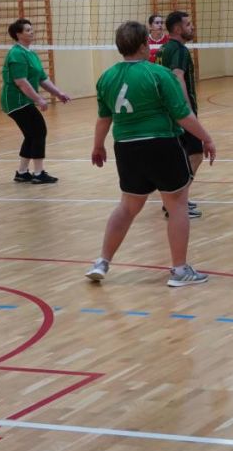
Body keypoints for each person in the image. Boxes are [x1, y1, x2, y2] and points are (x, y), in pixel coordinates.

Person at [86, 21, 217, 287]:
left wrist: (98, 145)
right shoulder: (158, 74)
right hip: (161, 144)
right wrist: (207, 138)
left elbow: (104, 118)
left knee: (127, 206)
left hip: (125, 147)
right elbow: (182, 115)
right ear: (144, 44)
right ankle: (179, 271)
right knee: (177, 204)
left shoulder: (106, 77)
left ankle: (102, 262)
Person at [1, 18, 71, 184]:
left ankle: (22, 172)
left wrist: (58, 93)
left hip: (24, 100)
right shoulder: (16, 54)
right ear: (18, 34)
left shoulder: (31, 53)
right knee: (39, 131)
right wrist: (39, 99)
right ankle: (38, 173)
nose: (32, 32)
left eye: (31, 29)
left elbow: (42, 78)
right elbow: (21, 82)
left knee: (31, 134)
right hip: (16, 101)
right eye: (27, 30)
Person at [159, 11, 203, 217]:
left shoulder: (163, 49)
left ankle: (173, 201)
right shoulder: (179, 50)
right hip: (180, 112)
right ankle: (175, 203)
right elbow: (178, 77)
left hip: (166, 112)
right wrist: (187, 110)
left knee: (181, 157)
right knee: (196, 154)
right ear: (177, 29)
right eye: (188, 24)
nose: (192, 27)